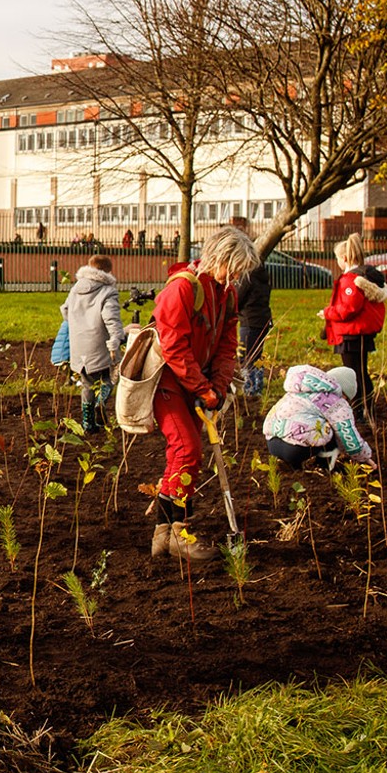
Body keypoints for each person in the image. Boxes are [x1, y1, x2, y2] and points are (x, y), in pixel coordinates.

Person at [148, 226, 259, 560]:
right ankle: (180, 533)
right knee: (188, 450)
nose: (236, 276)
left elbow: (227, 344)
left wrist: (217, 389)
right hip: (168, 382)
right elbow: (174, 347)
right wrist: (202, 387)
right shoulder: (182, 288)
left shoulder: (227, 294)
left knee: (182, 456)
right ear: (218, 257)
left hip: (198, 385)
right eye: (233, 267)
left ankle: (163, 536)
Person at [320, 233, 387, 420]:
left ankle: (359, 411)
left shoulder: (350, 280)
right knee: (361, 372)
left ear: (344, 258)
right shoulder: (363, 277)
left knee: (354, 374)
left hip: (351, 333)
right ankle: (366, 409)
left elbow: (348, 308)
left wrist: (327, 313)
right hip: (361, 333)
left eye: (337, 258)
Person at [261, 365, 372, 471]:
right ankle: (325, 466)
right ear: (343, 392)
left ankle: (295, 467)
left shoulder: (298, 390)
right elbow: (347, 434)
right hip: (295, 450)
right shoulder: (335, 401)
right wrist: (364, 457)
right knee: (334, 428)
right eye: (347, 398)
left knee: (305, 423)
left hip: (272, 444)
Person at [62, 255, 123, 434]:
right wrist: (116, 339)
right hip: (100, 344)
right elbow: (111, 319)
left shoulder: (75, 289)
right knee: (111, 377)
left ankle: (88, 423)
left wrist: (78, 325)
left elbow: (65, 310)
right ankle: (100, 402)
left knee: (87, 383)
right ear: (107, 271)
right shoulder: (107, 291)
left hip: (79, 344)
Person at [237, 259, 274, 397]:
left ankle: (250, 389)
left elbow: (237, 298)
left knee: (246, 357)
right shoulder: (263, 276)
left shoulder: (247, 277)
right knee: (256, 356)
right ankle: (257, 386)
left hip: (249, 321)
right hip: (262, 320)